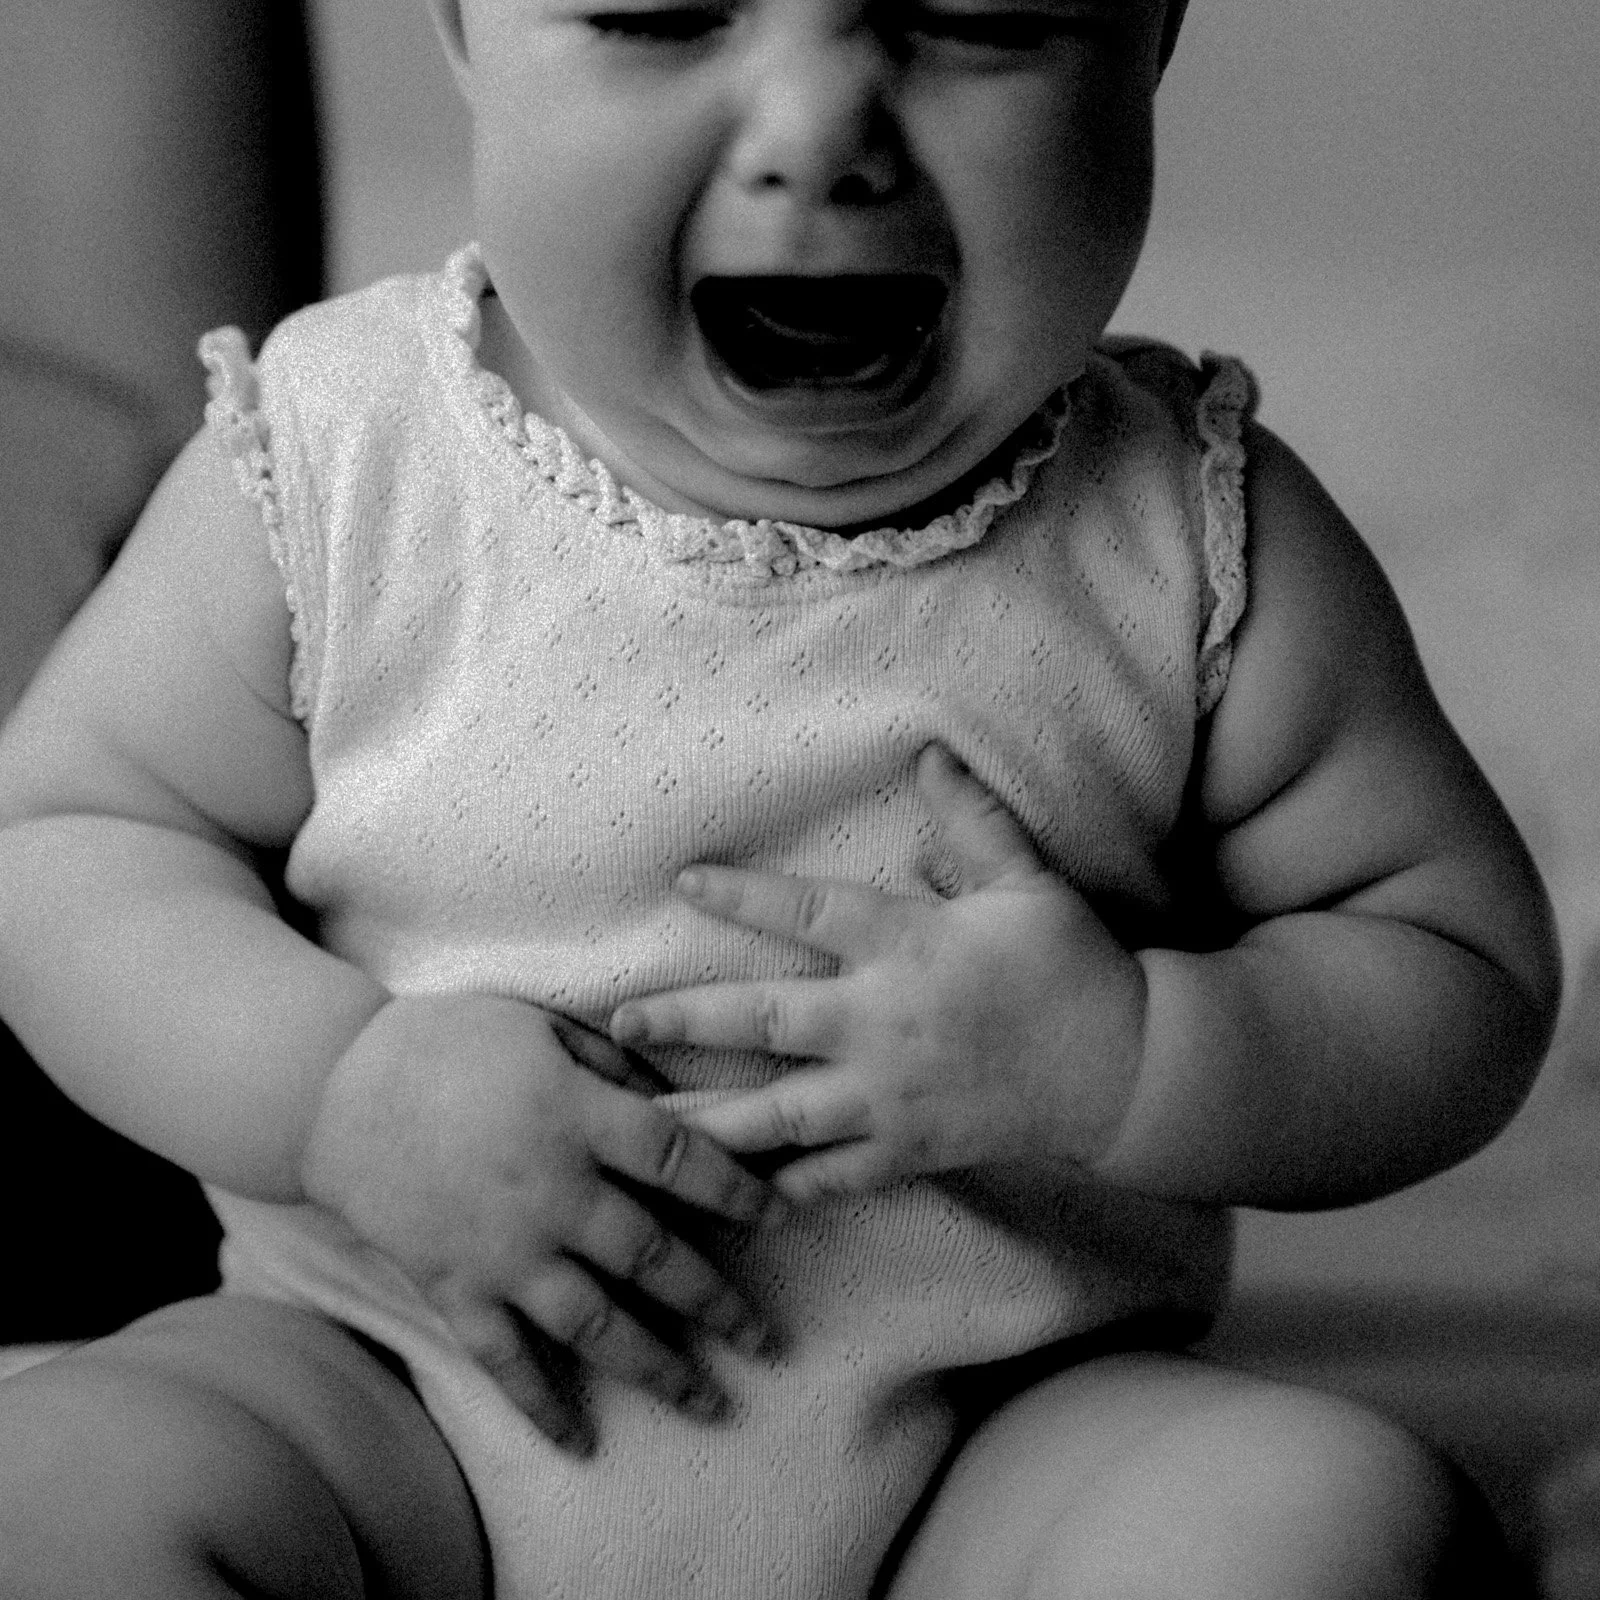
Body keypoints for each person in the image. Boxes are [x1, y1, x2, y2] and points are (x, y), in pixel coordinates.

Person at [0, 0, 1562, 1594]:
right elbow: (69, 846)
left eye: (979, 18)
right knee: (60, 1490)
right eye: (655, 13)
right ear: (466, 29)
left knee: (1331, 1522)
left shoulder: (1189, 535)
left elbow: (1455, 971)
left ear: (1150, 35)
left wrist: (1135, 1054)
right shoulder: (344, 455)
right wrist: (339, 1093)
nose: (819, 131)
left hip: (992, 1446)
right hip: (390, 1401)